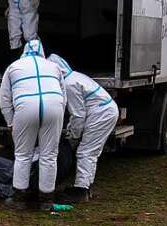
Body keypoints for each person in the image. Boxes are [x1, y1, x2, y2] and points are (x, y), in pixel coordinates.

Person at [0, 38, 66, 210]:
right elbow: (64, 96)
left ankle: (19, 198)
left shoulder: (13, 67)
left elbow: (5, 98)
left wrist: (10, 121)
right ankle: (46, 200)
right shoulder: (54, 66)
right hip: (54, 105)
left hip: (25, 107)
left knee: (22, 154)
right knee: (49, 155)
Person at [49, 54, 119, 202]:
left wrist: (72, 136)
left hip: (101, 113)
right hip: (104, 111)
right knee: (90, 152)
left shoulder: (69, 84)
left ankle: (81, 191)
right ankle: (86, 187)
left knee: (86, 152)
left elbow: (78, 115)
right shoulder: (74, 77)